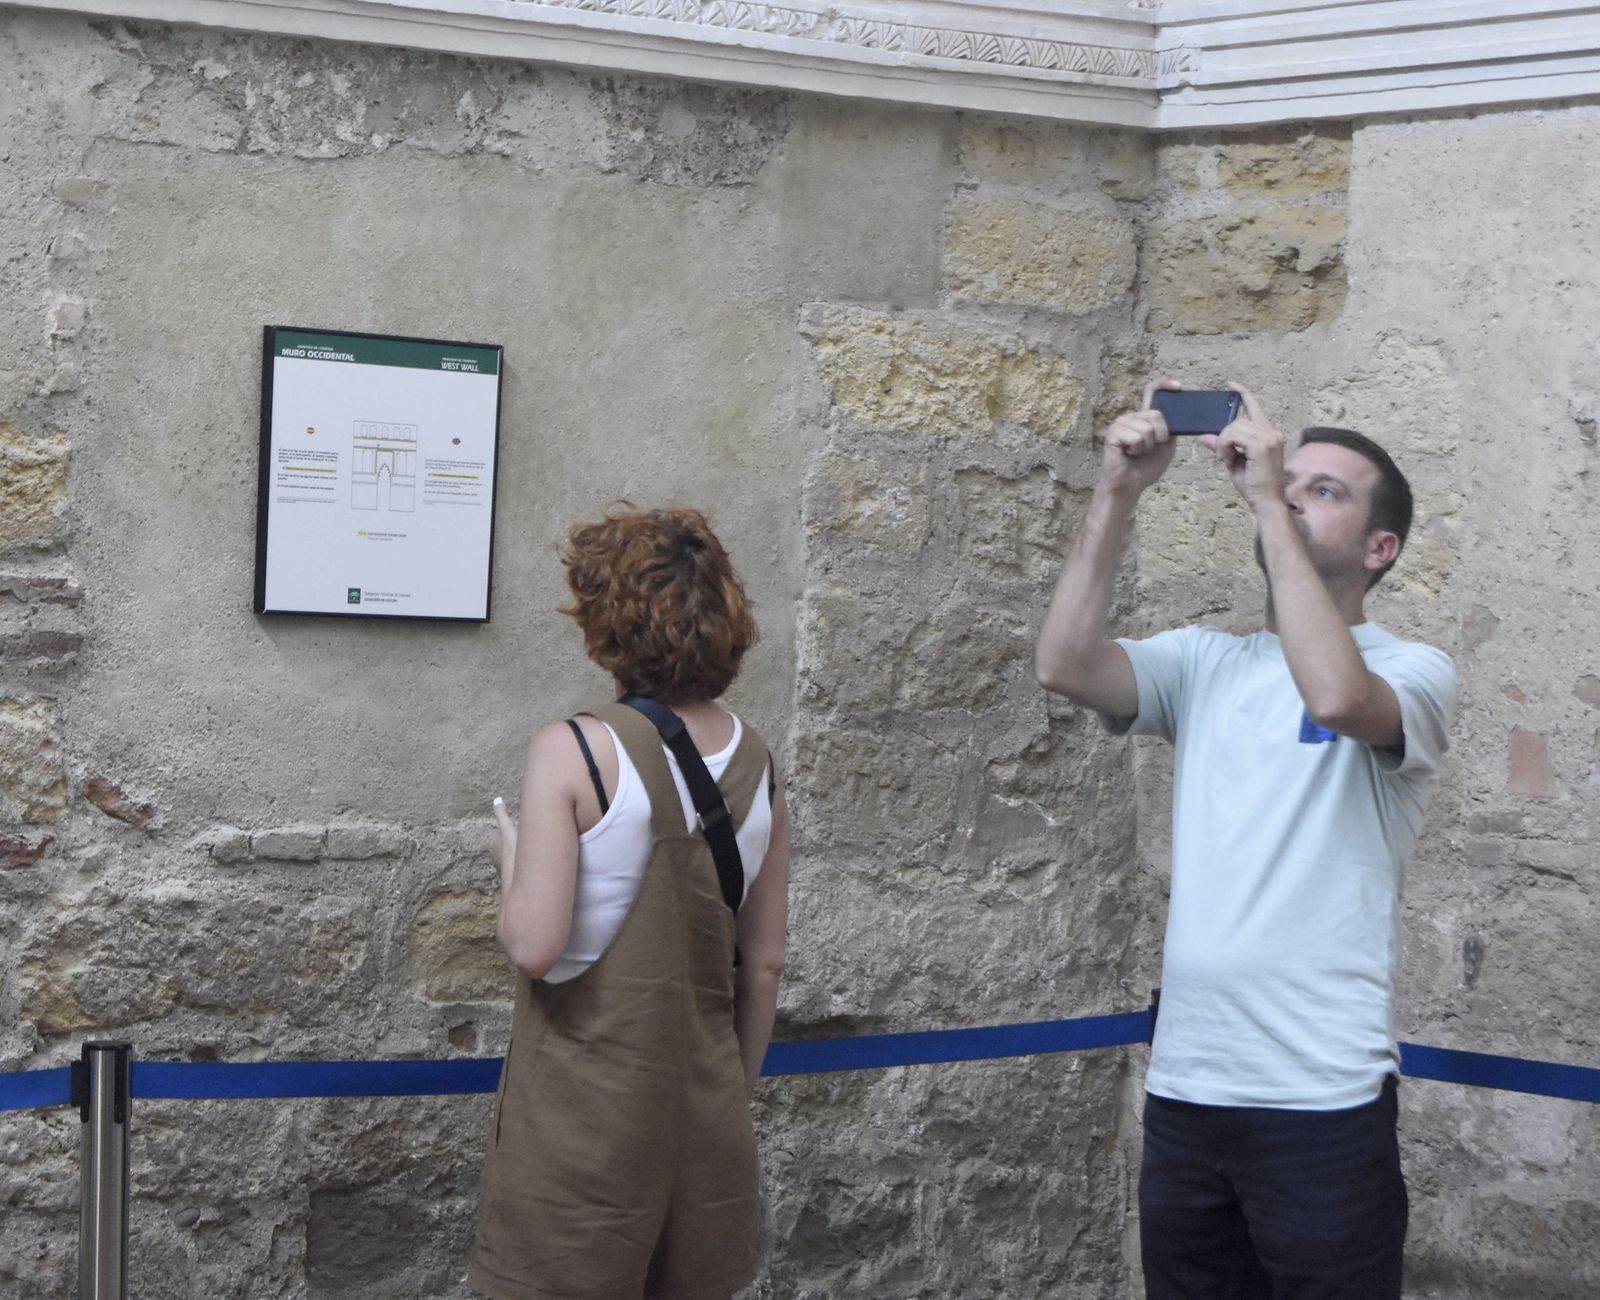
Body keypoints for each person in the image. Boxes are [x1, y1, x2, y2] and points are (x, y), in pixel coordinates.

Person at [1035, 380, 1458, 1299]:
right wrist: (1117, 493)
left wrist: (1266, 497)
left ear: (1381, 550)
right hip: (1188, 1098)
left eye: (1325, 491)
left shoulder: (1413, 670)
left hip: (1321, 1107)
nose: (1295, 491)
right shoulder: (1205, 662)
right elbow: (1064, 663)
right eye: (1289, 478)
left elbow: (1339, 700)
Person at [469, 504, 790, 1300]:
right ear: (726, 619)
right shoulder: (758, 763)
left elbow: (537, 946)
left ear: (605, 624)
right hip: (706, 1130)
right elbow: (765, 964)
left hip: (586, 1132)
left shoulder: (573, 751)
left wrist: (510, 865)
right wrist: (727, 1096)